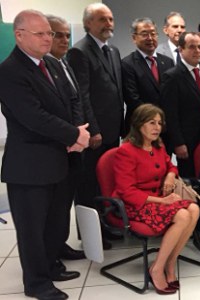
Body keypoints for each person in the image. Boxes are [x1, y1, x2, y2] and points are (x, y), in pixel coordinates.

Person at [0, 9, 90, 299]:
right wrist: (74, 135)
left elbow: (68, 102)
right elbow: (33, 117)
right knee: (32, 230)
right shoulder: (10, 71)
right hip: (29, 166)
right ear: (19, 35)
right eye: (40, 33)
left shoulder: (49, 65)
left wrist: (75, 133)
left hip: (58, 157)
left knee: (54, 221)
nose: (47, 38)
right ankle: (36, 283)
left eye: (49, 33)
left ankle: (51, 265)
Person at [113, 104, 199, 294]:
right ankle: (157, 268)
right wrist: (162, 201)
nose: (157, 128)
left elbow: (171, 167)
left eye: (160, 123)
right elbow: (126, 191)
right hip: (135, 204)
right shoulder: (126, 151)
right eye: (152, 123)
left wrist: (170, 175)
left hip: (158, 199)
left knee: (194, 209)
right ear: (138, 124)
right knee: (183, 216)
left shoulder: (158, 146)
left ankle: (170, 262)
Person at [67, 3, 124, 237]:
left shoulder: (113, 51)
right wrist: (94, 130)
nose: (108, 24)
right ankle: (91, 234)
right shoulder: (79, 51)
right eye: (102, 20)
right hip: (95, 133)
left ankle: (107, 225)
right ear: (88, 23)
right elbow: (82, 95)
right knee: (88, 184)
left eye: (110, 19)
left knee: (106, 181)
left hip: (113, 131)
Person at [47, 14, 89, 261]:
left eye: (66, 34)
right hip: (59, 147)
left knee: (65, 202)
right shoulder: (45, 69)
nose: (64, 39)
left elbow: (77, 101)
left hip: (75, 144)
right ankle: (52, 252)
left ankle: (60, 244)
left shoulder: (65, 63)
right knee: (54, 206)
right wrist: (74, 134)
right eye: (56, 34)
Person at [160, 31, 200, 177]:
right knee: (190, 180)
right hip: (187, 142)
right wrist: (178, 143)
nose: (197, 51)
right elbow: (170, 113)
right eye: (192, 47)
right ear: (181, 49)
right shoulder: (172, 76)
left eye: (199, 47)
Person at [121, 17, 174, 134]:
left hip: (165, 127)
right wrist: (154, 120)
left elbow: (172, 95)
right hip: (140, 127)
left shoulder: (168, 62)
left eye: (153, 34)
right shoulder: (127, 64)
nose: (150, 38)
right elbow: (133, 100)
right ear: (134, 38)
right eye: (144, 34)